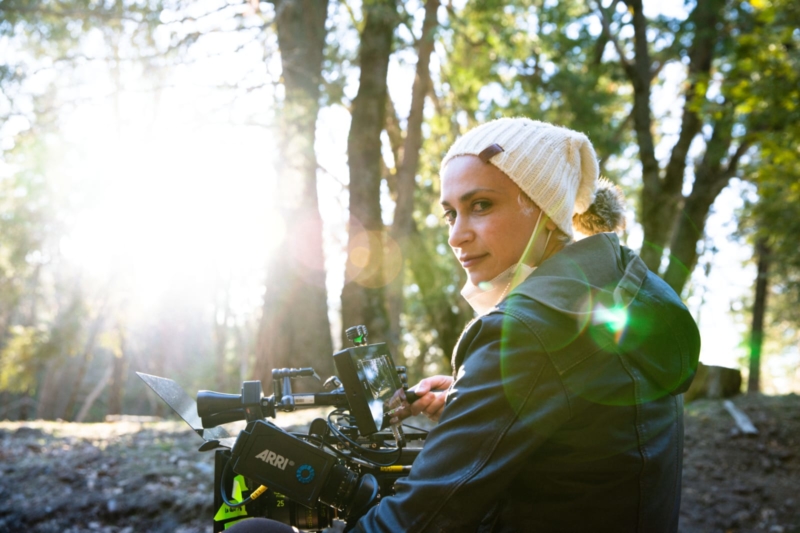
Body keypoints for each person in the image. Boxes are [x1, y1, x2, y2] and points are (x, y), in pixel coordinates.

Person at [228, 117, 701, 532]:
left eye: (481, 205)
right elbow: (582, 423)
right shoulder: (625, 285)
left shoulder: (528, 332)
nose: (457, 236)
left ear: (543, 208)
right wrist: (476, 398)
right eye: (451, 213)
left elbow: (417, 521)